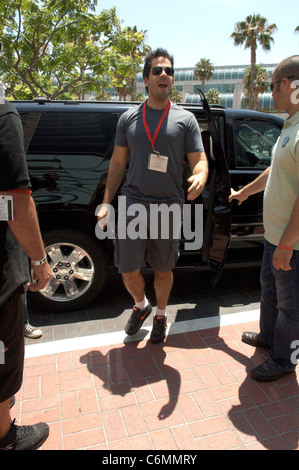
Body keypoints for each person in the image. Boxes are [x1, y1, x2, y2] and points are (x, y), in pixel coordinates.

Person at [98, 48, 208, 343]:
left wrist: (200, 174)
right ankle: (141, 305)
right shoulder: (129, 119)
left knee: (163, 268)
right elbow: (118, 163)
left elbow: (199, 159)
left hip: (169, 205)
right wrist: (106, 202)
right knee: (127, 268)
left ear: (172, 80)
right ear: (146, 79)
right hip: (133, 202)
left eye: (169, 71)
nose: (164, 75)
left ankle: (160, 314)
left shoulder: (186, 119)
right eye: (158, 71)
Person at [229, 55, 299, 382]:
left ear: (287, 84)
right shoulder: (291, 124)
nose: (271, 93)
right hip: (275, 237)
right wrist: (246, 191)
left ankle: (285, 360)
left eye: (272, 86)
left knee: (292, 309)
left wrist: (287, 244)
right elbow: (275, 171)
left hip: (292, 244)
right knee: (269, 292)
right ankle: (269, 338)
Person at [0, 99, 52, 450]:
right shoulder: (2, 115)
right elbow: (13, 200)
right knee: (1, 358)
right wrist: (38, 260)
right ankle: (4, 436)